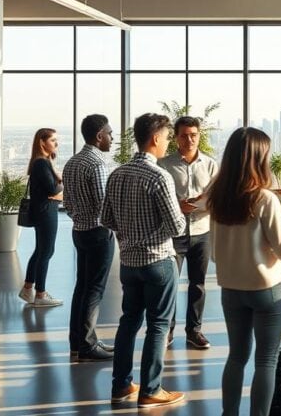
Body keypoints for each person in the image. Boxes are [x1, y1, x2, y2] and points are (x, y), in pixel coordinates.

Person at [208, 127, 281, 416]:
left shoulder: (218, 198)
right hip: (267, 291)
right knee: (266, 361)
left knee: (236, 357)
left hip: (231, 290)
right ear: (258, 158)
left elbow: (213, 254)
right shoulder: (265, 199)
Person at [102, 113, 187, 408]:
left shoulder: (117, 174)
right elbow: (177, 227)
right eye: (167, 137)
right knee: (159, 325)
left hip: (128, 263)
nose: (168, 143)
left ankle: (121, 386)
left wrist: (130, 233)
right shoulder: (159, 176)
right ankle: (151, 390)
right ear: (154, 138)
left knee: (129, 322)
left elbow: (106, 219)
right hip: (158, 261)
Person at [159, 115, 218, 350]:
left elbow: (216, 197)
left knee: (199, 284)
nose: (189, 139)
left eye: (193, 135)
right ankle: (167, 331)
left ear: (199, 135)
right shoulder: (164, 164)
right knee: (169, 284)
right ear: (176, 138)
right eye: (184, 135)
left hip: (202, 231)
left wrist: (200, 204)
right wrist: (178, 205)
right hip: (174, 233)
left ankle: (195, 331)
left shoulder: (211, 164)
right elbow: (160, 197)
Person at [63, 114, 115, 362]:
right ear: (99, 136)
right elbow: (105, 205)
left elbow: (67, 203)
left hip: (79, 231)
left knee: (81, 287)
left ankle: (79, 342)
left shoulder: (72, 162)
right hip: (98, 233)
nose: (112, 138)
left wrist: (79, 218)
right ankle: (87, 346)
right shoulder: (97, 164)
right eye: (110, 133)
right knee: (94, 289)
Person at [19, 128, 64, 307]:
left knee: (40, 250)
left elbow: (52, 190)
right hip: (46, 212)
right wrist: (61, 182)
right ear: (42, 142)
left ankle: (28, 288)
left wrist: (57, 187)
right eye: (53, 140)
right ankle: (40, 294)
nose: (56, 144)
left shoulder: (42, 162)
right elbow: (53, 189)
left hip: (43, 210)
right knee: (46, 251)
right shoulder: (41, 163)